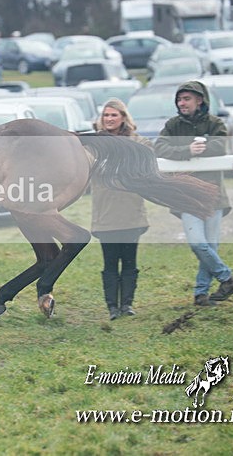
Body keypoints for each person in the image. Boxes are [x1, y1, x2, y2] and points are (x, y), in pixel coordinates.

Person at [154, 80, 233, 307]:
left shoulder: (215, 123)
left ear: (199, 100)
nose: (182, 103)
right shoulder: (172, 125)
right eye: (179, 99)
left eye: (186, 99)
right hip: (187, 196)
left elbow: (220, 146)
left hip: (214, 196)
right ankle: (227, 278)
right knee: (197, 243)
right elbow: (160, 147)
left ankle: (201, 294)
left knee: (210, 247)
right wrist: (187, 150)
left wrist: (196, 149)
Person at [91, 99, 150, 320]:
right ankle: (112, 307)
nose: (109, 119)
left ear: (123, 117)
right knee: (109, 262)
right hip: (105, 212)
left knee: (129, 261)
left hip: (131, 210)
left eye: (114, 115)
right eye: (106, 115)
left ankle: (126, 304)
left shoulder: (137, 141)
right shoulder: (95, 143)